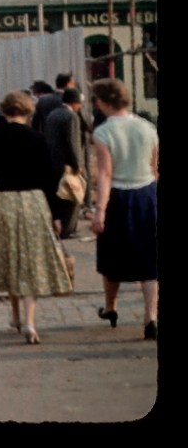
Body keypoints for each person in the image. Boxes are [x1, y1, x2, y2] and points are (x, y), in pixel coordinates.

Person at [0, 91, 72, 344]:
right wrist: (56, 215)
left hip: (5, 202)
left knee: (10, 258)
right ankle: (29, 321)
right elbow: (50, 179)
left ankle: (15, 316)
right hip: (33, 201)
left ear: (5, 111)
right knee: (32, 261)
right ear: (28, 112)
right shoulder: (38, 139)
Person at [88, 78, 158, 341]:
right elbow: (155, 168)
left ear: (104, 102)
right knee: (150, 259)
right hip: (146, 194)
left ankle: (111, 307)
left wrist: (99, 211)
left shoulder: (103, 133)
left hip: (118, 196)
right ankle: (151, 317)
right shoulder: (148, 127)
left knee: (112, 256)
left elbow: (105, 175)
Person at [44, 88, 86, 238]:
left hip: (52, 162)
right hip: (67, 164)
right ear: (75, 102)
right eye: (80, 104)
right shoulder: (72, 117)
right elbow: (72, 142)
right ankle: (68, 229)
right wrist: (77, 164)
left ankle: (56, 226)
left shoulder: (52, 115)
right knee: (72, 197)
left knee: (57, 196)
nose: (80, 106)